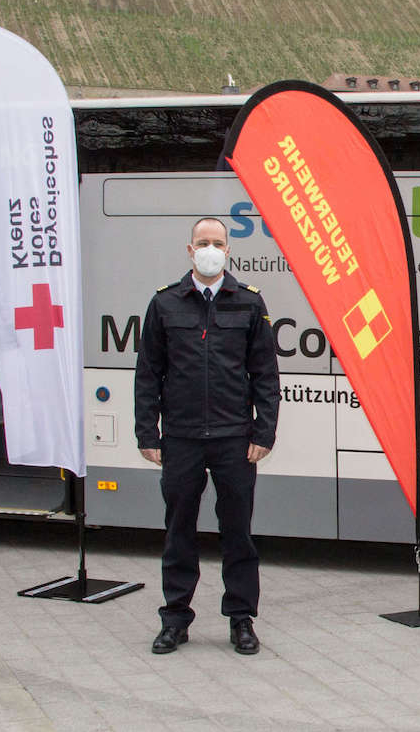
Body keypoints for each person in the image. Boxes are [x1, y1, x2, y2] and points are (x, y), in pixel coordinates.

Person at [134, 217, 280, 656]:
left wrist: (264, 432)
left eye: (218, 242)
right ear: (189, 249)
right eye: (203, 242)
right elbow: (148, 374)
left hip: (235, 439)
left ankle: (241, 619)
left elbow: (265, 375)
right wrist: (148, 432)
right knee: (178, 530)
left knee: (238, 532)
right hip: (180, 437)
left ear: (228, 250)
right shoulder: (164, 304)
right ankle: (175, 619)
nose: (210, 249)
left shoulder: (249, 303)